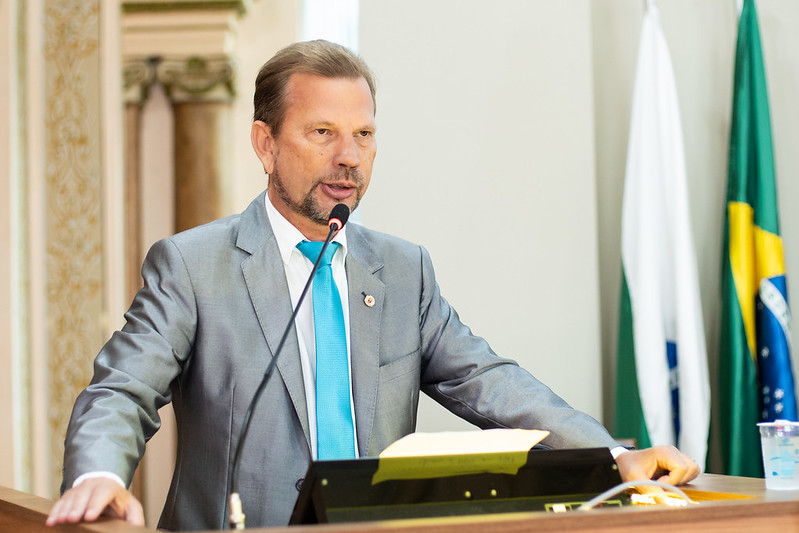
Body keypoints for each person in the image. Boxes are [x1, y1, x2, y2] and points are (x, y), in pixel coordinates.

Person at [47, 40, 698, 531]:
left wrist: (610, 455)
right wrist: (99, 474)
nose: (349, 157)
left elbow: (491, 383)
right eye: (323, 133)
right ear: (265, 144)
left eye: (363, 134)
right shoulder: (194, 266)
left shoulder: (402, 270)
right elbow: (122, 389)